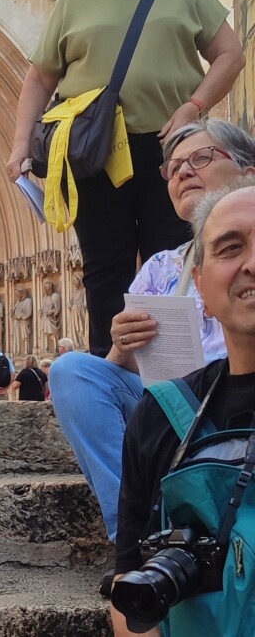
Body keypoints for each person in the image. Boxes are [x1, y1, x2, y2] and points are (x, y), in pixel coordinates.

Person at [6, 0, 244, 358]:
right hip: (92, 149)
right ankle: (109, 369)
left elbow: (231, 54)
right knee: (104, 264)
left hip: (168, 147)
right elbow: (39, 77)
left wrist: (193, 107)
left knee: (175, 256)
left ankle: (174, 370)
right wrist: (19, 144)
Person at [49, 119, 255, 549]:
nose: (183, 172)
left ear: (247, 171)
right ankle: (141, 535)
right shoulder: (161, 267)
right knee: (73, 372)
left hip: (236, 401)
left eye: (200, 158)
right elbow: (119, 376)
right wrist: (122, 346)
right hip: (173, 408)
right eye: (173, 168)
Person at [113, 181, 255, 636]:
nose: (252, 264)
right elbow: (129, 584)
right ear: (201, 291)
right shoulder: (161, 416)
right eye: (230, 249)